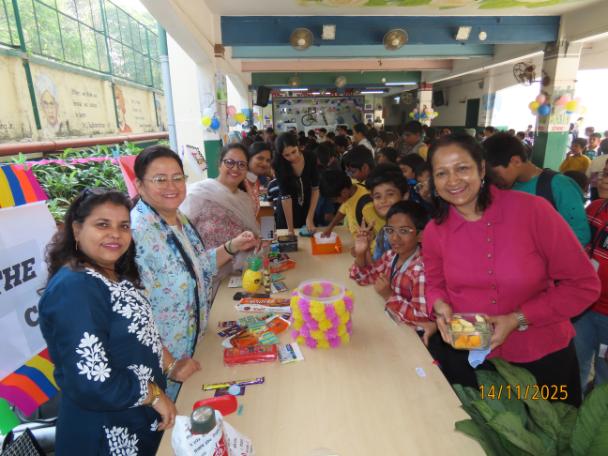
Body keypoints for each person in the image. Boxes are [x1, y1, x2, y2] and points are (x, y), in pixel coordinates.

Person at [423, 133, 600, 407]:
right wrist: (439, 305)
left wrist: (518, 318)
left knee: (542, 430)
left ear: (482, 168)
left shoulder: (533, 211)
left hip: (540, 358)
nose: (453, 180)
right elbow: (434, 283)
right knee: (482, 430)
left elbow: (583, 285)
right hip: (472, 355)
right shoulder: (435, 230)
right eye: (441, 173)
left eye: (462, 168)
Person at [39, 189, 177, 454]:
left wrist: (170, 367)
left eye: (123, 226)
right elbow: (93, 380)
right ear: (77, 230)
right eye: (102, 224)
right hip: (105, 432)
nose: (115, 234)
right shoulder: (75, 287)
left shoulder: (109, 274)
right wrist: (153, 394)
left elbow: (135, 337)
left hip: (136, 418)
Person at [131, 146, 258, 399]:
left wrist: (232, 246)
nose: (171, 186)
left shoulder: (178, 219)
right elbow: (130, 318)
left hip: (196, 348)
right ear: (140, 185)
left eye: (177, 178)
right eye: (160, 179)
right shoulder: (136, 234)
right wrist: (169, 364)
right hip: (167, 368)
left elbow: (198, 266)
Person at [350, 200, 440, 351]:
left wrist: (389, 295)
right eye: (390, 230)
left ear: (420, 235)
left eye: (404, 231)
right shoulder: (391, 256)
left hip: (415, 342)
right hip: (394, 324)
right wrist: (361, 253)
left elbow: (423, 319)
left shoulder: (421, 271)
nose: (394, 238)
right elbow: (363, 279)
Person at [484, 132, 590, 246]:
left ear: (516, 161)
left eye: (495, 174)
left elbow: (580, 235)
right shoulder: (501, 188)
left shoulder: (559, 186)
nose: (492, 179)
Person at [576, 163, 608, 392]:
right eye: (605, 173)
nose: (604, 180)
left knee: (604, 379)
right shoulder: (595, 209)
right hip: (584, 307)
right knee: (576, 365)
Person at [320, 168, 383, 248]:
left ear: (344, 192)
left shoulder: (367, 207)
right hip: (354, 240)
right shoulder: (351, 187)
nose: (334, 202)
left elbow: (384, 236)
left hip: (368, 249)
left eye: (334, 199)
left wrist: (363, 249)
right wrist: (331, 226)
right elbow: (344, 208)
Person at [272, 132, 320, 234]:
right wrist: (290, 229)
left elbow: (315, 189)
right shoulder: (278, 164)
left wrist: (310, 217)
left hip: (308, 204)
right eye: (287, 155)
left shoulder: (310, 157)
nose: (292, 157)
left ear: (298, 146)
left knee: (309, 235)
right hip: (287, 208)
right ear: (281, 155)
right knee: (289, 236)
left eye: (294, 152)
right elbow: (286, 196)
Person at [364, 164, 410, 261]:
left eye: (390, 194)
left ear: (405, 195)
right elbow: (377, 267)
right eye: (377, 196)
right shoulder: (383, 234)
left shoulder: (413, 231)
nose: (383, 201)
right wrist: (365, 249)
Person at [244, 141, 273, 215]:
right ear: (249, 158)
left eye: (268, 160)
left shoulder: (255, 181)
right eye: (260, 158)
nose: (264, 163)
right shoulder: (240, 182)